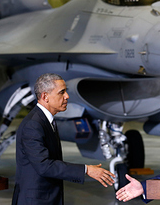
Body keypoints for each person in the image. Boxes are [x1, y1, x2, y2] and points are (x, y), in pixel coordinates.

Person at [12, 73, 115, 205]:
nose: (67, 96)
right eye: (62, 92)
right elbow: (44, 166)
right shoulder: (33, 124)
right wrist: (86, 170)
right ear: (45, 96)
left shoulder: (45, 121)